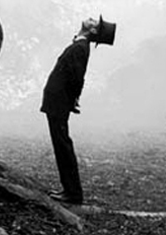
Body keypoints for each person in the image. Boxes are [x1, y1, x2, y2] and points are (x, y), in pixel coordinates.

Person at [40, 15, 116, 205]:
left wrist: (72, 99)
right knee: (62, 145)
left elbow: (77, 78)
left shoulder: (80, 48)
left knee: (63, 146)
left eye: (95, 23)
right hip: (58, 101)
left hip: (59, 102)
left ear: (92, 31)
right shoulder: (80, 45)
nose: (92, 19)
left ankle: (73, 193)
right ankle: (70, 190)